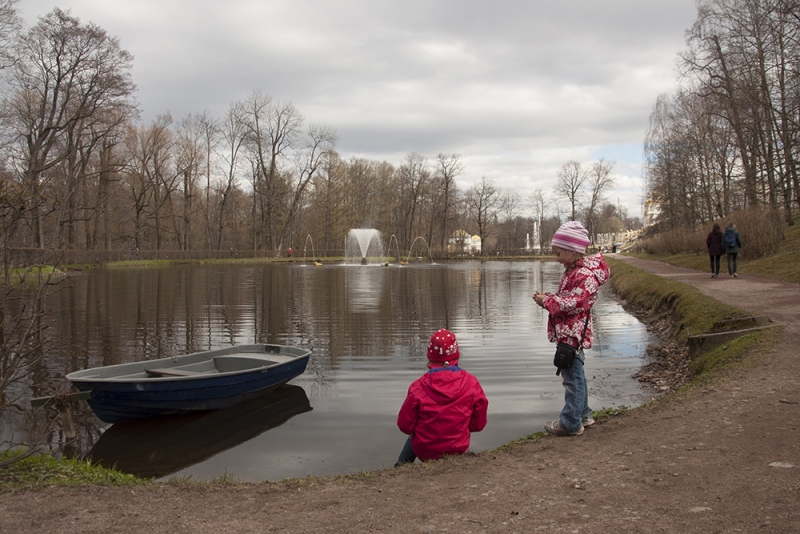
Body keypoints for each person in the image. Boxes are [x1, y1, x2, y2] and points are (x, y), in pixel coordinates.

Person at [533, 221, 610, 436]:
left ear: (572, 250)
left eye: (559, 253)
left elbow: (572, 303)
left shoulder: (584, 275)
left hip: (573, 334)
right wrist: (548, 297)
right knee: (577, 375)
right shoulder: (573, 270)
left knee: (572, 378)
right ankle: (584, 414)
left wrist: (546, 303)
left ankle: (570, 423)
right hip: (570, 332)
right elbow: (568, 298)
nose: (556, 258)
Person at [395, 328, 488, 466]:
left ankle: (399, 468)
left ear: (430, 356)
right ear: (456, 354)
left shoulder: (418, 387)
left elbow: (405, 426)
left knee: (413, 434)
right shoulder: (471, 383)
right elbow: (478, 425)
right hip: (458, 447)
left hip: (425, 450)